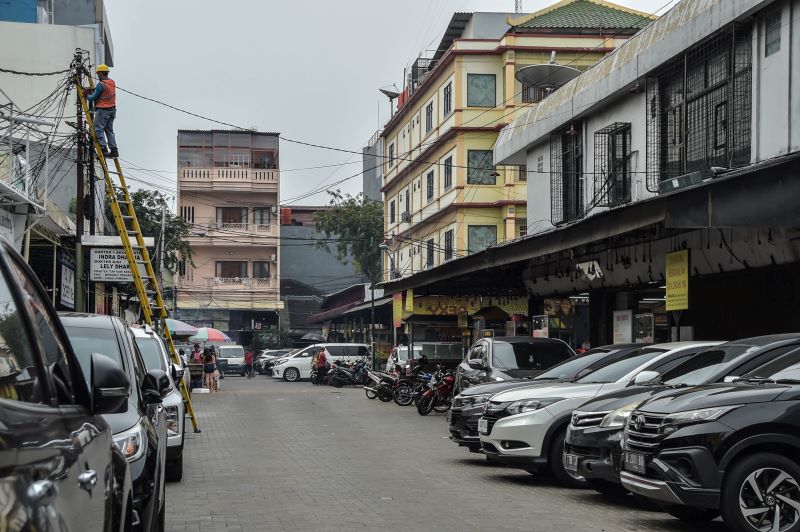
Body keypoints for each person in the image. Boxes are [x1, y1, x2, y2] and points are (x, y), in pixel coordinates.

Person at [84, 64, 118, 158]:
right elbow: (105, 90)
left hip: (103, 110)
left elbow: (92, 98)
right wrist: (95, 89)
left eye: (98, 73)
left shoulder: (101, 85)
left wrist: (86, 95)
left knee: (98, 129)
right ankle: (114, 150)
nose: (98, 75)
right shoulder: (112, 82)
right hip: (112, 110)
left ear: (101, 73)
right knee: (109, 130)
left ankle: (104, 149)